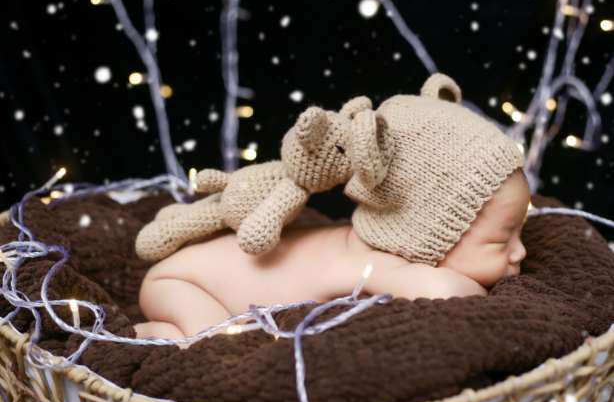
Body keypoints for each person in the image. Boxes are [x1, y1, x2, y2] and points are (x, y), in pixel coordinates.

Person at [133, 74, 530, 347]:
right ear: (427, 232)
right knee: (220, 345)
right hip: (181, 283)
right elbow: (449, 294)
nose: (522, 252)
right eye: (500, 241)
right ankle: (157, 336)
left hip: (193, 274)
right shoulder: (373, 264)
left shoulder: (374, 250)